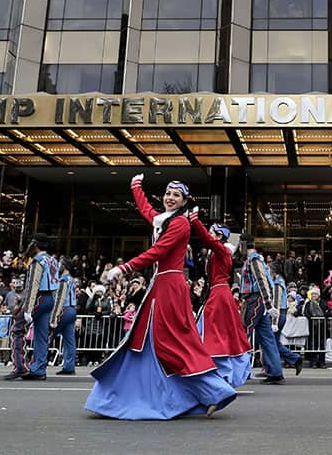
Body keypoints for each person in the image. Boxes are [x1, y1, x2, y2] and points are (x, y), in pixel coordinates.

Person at [85, 177, 236, 419]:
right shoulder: (164, 221)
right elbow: (146, 210)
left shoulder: (180, 224)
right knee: (145, 343)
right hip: (161, 286)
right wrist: (136, 188)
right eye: (167, 193)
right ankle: (123, 398)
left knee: (171, 343)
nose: (170, 198)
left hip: (170, 287)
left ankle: (215, 391)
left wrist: (124, 268)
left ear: (184, 201)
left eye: (176, 195)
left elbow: (159, 251)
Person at [188, 215, 254, 388]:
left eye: (211, 233)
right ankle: (213, 372)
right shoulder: (217, 251)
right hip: (217, 294)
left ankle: (220, 374)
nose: (208, 235)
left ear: (218, 236)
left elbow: (208, 241)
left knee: (214, 335)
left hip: (219, 295)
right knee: (220, 333)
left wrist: (195, 221)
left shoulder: (222, 250)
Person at [6, 234, 60, 381]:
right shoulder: (53, 261)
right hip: (49, 298)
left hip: (38, 298)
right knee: (42, 335)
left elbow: (32, 286)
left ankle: (20, 367)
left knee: (17, 329)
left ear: (35, 244)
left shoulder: (38, 261)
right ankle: (39, 368)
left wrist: (28, 308)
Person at [241, 232, 292, 383]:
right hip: (259, 301)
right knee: (267, 338)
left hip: (255, 300)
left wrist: (268, 305)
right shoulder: (254, 259)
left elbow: (262, 282)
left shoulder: (253, 260)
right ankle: (275, 372)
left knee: (243, 334)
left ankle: (240, 371)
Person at [271, 265, 304, 373]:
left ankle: (292, 359)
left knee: (271, 343)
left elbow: (276, 303)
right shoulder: (280, 283)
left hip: (279, 315)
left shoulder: (277, 284)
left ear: (274, 272)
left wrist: (274, 322)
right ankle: (294, 359)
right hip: (281, 314)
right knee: (274, 343)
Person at [50, 257, 78, 375]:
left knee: (48, 335)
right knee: (69, 339)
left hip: (64, 309)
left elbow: (59, 299)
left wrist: (54, 316)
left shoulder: (63, 280)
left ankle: (38, 363)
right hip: (72, 308)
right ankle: (69, 366)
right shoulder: (71, 279)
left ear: (64, 266)